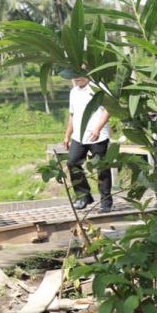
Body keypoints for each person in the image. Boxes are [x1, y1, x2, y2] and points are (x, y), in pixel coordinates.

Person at [63, 73, 112, 212]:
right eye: (74, 75)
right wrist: (67, 135)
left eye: (79, 74)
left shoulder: (98, 87)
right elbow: (72, 115)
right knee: (72, 162)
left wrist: (98, 128)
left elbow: (108, 110)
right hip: (79, 136)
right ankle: (83, 196)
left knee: (101, 167)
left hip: (98, 135)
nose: (76, 78)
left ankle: (106, 202)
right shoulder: (73, 92)